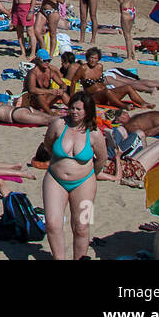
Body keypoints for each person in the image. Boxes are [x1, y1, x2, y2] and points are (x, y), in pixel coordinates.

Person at [41, 92, 107, 261]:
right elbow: (47, 144)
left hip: (84, 182)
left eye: (79, 109)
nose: (74, 112)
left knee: (82, 226)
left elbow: (102, 158)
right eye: (72, 108)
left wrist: (92, 175)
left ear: (88, 111)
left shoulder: (94, 133)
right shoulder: (58, 124)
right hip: (55, 179)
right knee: (53, 224)